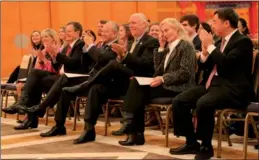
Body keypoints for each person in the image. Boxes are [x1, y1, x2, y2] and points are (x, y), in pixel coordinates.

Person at [58, 13, 159, 145]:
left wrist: (124, 55)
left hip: (139, 82)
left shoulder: (151, 41)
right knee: (95, 89)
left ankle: (86, 85)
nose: (130, 25)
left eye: (133, 23)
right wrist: (122, 57)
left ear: (144, 25)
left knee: (112, 64)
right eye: (129, 23)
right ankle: (88, 130)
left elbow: (145, 65)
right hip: (122, 81)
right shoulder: (131, 42)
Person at [169, 8, 254, 160]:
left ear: (227, 23)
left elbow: (227, 65)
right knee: (179, 101)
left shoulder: (242, 41)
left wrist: (210, 47)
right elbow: (204, 66)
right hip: (213, 85)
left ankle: (206, 146)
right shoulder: (217, 41)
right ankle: (191, 142)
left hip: (233, 89)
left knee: (204, 103)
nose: (212, 25)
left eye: (215, 21)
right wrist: (204, 53)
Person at [28, 21, 119, 137]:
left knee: (63, 81)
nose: (102, 33)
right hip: (87, 78)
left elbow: (97, 59)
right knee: (62, 88)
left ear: (115, 33)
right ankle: (58, 125)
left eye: (106, 31)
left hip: (102, 82)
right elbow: (86, 63)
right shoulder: (99, 46)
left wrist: (89, 46)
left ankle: (41, 108)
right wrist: (54, 54)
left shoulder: (115, 45)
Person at [117, 18, 196, 146]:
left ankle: (132, 128)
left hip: (179, 86)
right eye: (162, 31)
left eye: (166, 30)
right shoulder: (169, 47)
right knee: (136, 85)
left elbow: (185, 73)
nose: (164, 34)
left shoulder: (184, 46)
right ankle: (134, 132)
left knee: (137, 91)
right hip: (166, 84)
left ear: (177, 29)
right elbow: (158, 69)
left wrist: (163, 79)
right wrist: (161, 47)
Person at [2, 22, 92, 129]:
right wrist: (54, 56)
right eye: (66, 31)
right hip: (62, 77)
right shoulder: (68, 46)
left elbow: (74, 63)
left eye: (69, 31)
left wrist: (55, 54)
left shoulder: (80, 44)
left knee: (36, 81)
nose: (66, 34)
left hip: (72, 80)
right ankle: (25, 108)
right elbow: (57, 66)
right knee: (35, 74)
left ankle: (34, 111)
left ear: (77, 32)